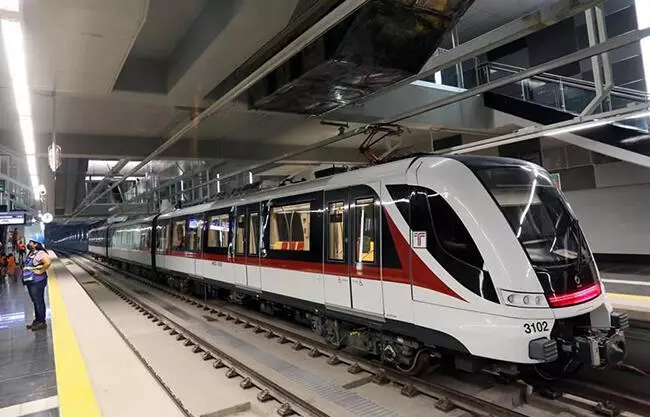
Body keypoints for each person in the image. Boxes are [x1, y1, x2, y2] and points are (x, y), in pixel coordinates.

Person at [22, 237, 51, 331]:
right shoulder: (31, 253)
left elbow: (48, 262)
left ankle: (42, 322)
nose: (29, 243)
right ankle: (37, 321)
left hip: (38, 281)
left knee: (39, 302)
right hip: (31, 281)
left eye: (31, 242)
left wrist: (40, 271)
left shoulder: (40, 253)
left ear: (36, 244)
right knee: (35, 301)